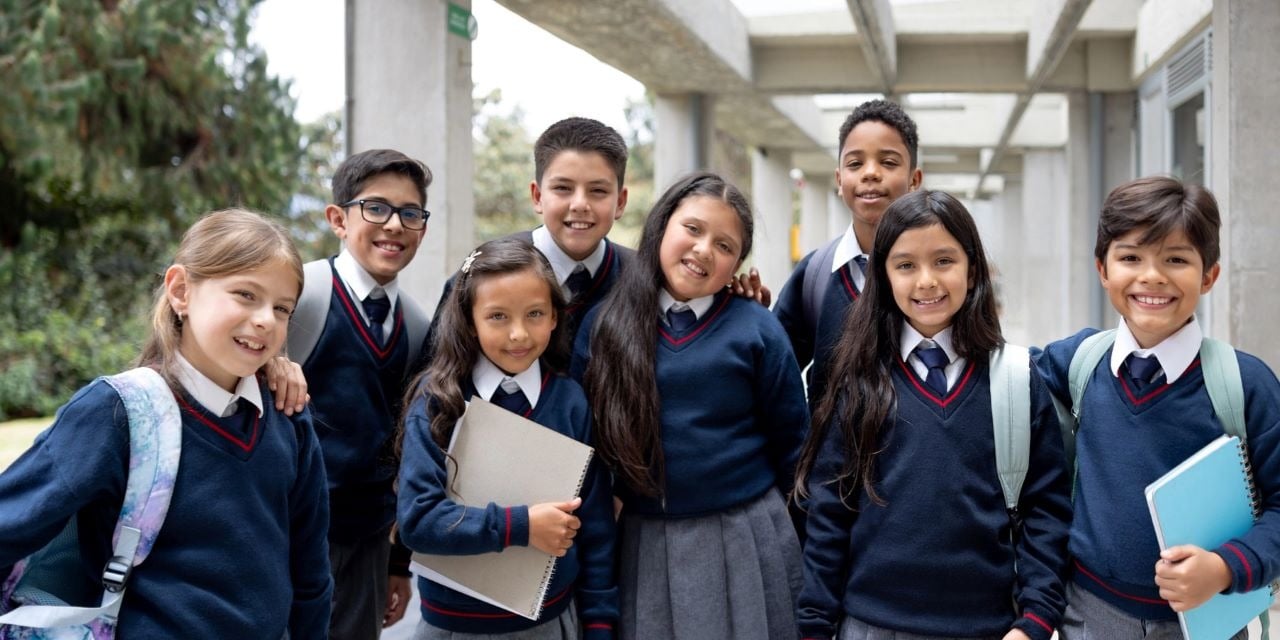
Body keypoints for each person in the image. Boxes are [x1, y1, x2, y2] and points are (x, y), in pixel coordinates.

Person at [0, 209, 331, 637]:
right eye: (246, 294)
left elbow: (311, 574)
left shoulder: (289, 416)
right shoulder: (117, 413)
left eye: (282, 308)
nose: (266, 318)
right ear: (180, 291)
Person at [795, 190, 1070, 640]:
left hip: (990, 628)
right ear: (883, 277)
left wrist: (1036, 620)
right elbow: (830, 516)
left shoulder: (1016, 380)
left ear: (973, 268)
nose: (926, 281)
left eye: (944, 261)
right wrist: (815, 626)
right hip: (870, 626)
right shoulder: (861, 381)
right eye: (905, 265)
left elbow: (1047, 511)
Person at [1035, 177, 1280, 639]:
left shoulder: (1244, 385)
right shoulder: (1078, 362)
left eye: (1176, 259)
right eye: (1130, 258)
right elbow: (991, 376)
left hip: (1206, 619)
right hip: (1088, 616)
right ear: (1102, 269)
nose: (1152, 276)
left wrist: (1226, 567)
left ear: (1209, 275)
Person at [572, 171, 809, 640]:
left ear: (737, 264)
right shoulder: (606, 325)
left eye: (725, 246)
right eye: (693, 229)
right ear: (663, 226)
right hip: (644, 541)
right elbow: (589, 452)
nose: (703, 250)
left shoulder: (756, 328)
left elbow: (794, 449)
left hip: (750, 534)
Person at [398, 237, 617, 639]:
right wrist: (522, 526)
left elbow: (596, 525)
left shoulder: (571, 402)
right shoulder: (438, 402)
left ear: (555, 317)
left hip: (550, 624)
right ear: (469, 319)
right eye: (498, 316)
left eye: (534, 314)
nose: (518, 334)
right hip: (451, 628)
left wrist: (600, 622)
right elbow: (417, 521)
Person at [293, 148, 432, 639]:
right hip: (289, 538)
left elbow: (410, 448)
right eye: (375, 208)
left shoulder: (417, 328)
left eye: (409, 213)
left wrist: (399, 561)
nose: (393, 224)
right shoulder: (297, 297)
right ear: (339, 218)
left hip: (368, 546)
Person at [773, 99, 924, 410]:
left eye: (889, 162)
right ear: (840, 180)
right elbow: (772, 373)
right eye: (855, 164)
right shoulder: (814, 275)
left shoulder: (937, 276)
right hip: (833, 458)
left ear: (914, 180)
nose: (870, 173)